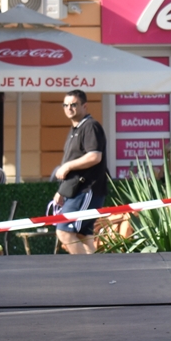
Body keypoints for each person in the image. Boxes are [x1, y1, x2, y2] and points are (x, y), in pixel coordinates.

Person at [52, 90, 110, 255]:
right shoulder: (75, 129)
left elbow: (95, 156)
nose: (69, 108)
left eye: (73, 104)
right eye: (65, 105)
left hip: (87, 190)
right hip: (76, 190)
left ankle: (83, 268)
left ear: (84, 106)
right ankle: (96, 269)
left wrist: (67, 166)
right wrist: (61, 191)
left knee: (64, 231)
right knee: (83, 236)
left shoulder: (90, 126)